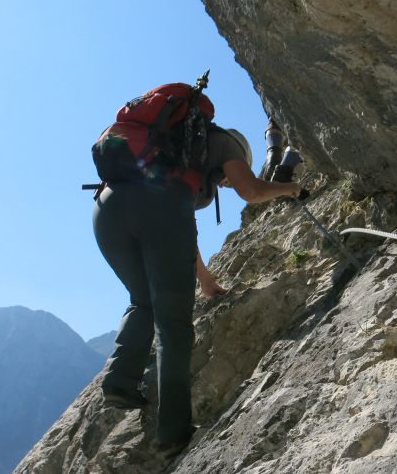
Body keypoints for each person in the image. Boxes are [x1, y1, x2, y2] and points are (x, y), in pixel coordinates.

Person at [92, 123, 302, 454]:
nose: (226, 184)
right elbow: (252, 192)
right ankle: (173, 433)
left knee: (143, 299)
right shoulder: (225, 145)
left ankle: (119, 381)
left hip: (106, 211)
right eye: (227, 180)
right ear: (241, 154)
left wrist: (204, 280)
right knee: (172, 324)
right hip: (155, 210)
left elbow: (180, 239)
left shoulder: (174, 155)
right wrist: (290, 189)